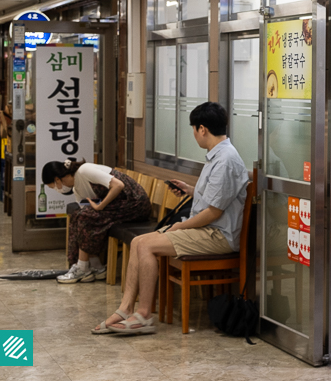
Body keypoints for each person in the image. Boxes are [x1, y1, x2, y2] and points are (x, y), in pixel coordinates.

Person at [95, 101, 249, 335]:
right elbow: (214, 197)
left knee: (146, 245)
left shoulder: (226, 160)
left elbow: (213, 212)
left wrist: (179, 226)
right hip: (207, 229)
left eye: (194, 129)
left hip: (218, 234)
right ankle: (126, 309)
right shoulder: (217, 155)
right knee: (138, 242)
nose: (195, 135)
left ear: (202, 129)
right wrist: (189, 189)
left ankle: (144, 315)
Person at [43, 159, 151, 284]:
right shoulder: (77, 189)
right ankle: (96, 266)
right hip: (118, 205)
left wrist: (100, 206)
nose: (56, 189)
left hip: (135, 203)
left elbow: (118, 185)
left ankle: (83, 268)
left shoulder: (84, 170)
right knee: (78, 216)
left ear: (57, 179)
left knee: (85, 217)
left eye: (53, 187)